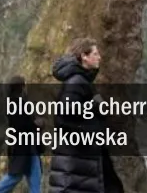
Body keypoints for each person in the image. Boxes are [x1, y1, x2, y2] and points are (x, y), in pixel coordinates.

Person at [48, 38, 123, 193]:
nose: (99, 57)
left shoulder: (82, 81)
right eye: (95, 53)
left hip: (84, 157)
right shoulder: (76, 82)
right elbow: (65, 114)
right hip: (79, 157)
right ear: (84, 56)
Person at [0, 76, 43, 193]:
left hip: (27, 147)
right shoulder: (18, 103)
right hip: (25, 147)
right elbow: (23, 126)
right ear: (22, 87)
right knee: (15, 177)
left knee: (34, 178)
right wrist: (37, 125)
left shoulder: (14, 102)